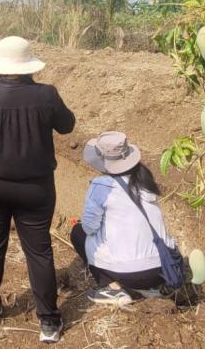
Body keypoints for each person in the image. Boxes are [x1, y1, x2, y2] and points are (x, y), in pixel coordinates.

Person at [0, 36, 75, 344]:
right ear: (28, 67)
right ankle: (49, 322)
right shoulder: (47, 95)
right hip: (35, 189)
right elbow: (67, 125)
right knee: (38, 250)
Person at [72, 131, 175, 306]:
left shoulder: (101, 187)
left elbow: (89, 228)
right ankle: (148, 289)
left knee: (78, 233)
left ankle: (113, 288)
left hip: (128, 273)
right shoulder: (145, 181)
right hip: (161, 270)